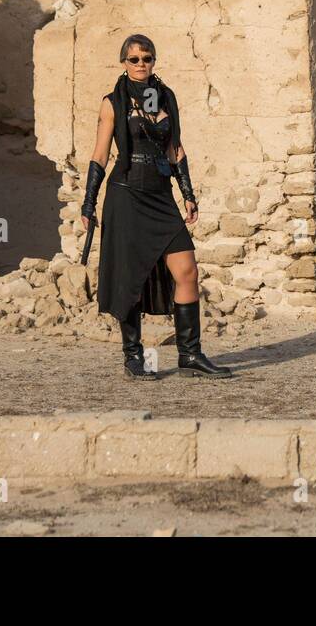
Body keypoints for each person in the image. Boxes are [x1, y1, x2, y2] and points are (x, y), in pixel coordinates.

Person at [79, 34, 232, 379]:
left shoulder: (165, 97)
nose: (141, 64)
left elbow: (174, 148)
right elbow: (100, 153)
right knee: (131, 275)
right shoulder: (112, 102)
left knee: (187, 270)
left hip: (160, 194)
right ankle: (133, 356)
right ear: (124, 62)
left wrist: (187, 193)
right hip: (126, 193)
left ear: (154, 61)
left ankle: (190, 355)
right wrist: (88, 203)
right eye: (134, 59)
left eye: (147, 58)